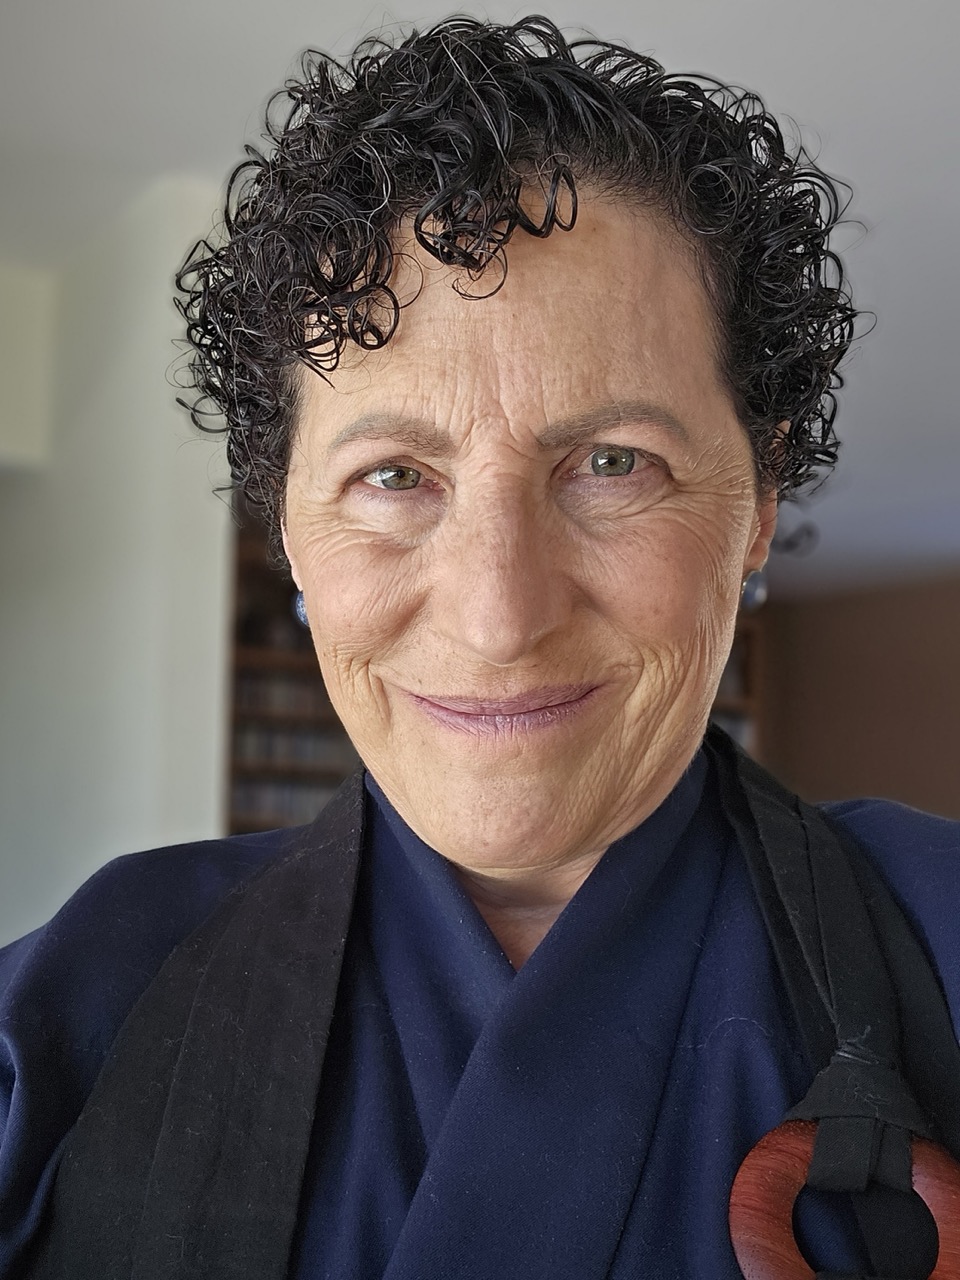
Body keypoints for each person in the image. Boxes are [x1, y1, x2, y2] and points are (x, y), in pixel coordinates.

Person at [1, 15, 959, 1279]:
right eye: (393, 474)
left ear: (758, 503)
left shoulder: (938, 938)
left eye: (614, 463)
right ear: (286, 523)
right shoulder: (71, 1012)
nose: (500, 614)